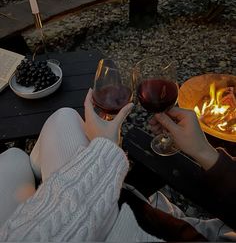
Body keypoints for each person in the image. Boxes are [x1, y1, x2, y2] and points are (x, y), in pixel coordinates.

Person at [0, 88, 234, 241]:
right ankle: (40, 175)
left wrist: (103, 151)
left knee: (53, 127)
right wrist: (205, 153)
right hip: (170, 228)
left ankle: (40, 176)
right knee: (19, 156)